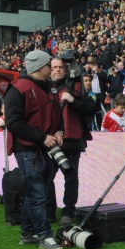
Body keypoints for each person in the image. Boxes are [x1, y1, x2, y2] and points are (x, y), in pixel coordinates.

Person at [4, 50, 64, 249]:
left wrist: (58, 130)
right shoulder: (17, 89)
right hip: (28, 148)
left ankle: (27, 233)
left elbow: (56, 113)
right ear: (40, 67)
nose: (53, 68)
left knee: (37, 192)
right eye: (50, 65)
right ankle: (44, 236)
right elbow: (13, 123)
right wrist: (42, 137)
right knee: (38, 193)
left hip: (43, 146)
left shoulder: (49, 87)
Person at [47, 57, 95, 228]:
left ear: (66, 70)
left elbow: (90, 107)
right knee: (47, 177)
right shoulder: (44, 88)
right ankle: (49, 212)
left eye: (60, 67)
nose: (57, 70)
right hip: (49, 141)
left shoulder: (75, 88)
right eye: (54, 67)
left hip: (72, 141)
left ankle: (68, 212)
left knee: (71, 178)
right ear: (49, 69)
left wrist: (73, 100)